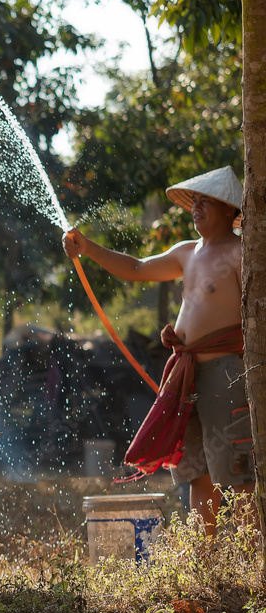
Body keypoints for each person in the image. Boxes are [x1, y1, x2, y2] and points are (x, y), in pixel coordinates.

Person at [62, 167, 256, 535]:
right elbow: (137, 268)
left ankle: (252, 559)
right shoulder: (187, 252)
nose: (196, 208)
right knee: (196, 471)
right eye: (194, 202)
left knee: (238, 470)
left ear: (229, 209)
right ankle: (204, 557)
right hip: (188, 376)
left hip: (227, 374)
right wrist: (87, 247)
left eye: (205, 203)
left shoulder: (243, 253)